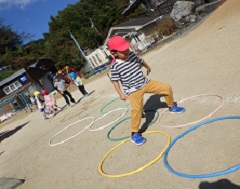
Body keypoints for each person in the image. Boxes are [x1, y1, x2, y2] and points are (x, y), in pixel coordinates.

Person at [107, 36, 185, 146]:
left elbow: (141, 60)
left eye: (127, 49)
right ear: (114, 53)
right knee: (137, 110)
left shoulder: (132, 55)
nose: (127, 52)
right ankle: (134, 133)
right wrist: (121, 94)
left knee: (166, 88)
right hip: (133, 90)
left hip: (145, 83)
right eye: (123, 52)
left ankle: (171, 106)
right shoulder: (114, 67)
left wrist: (147, 67)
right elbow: (115, 81)